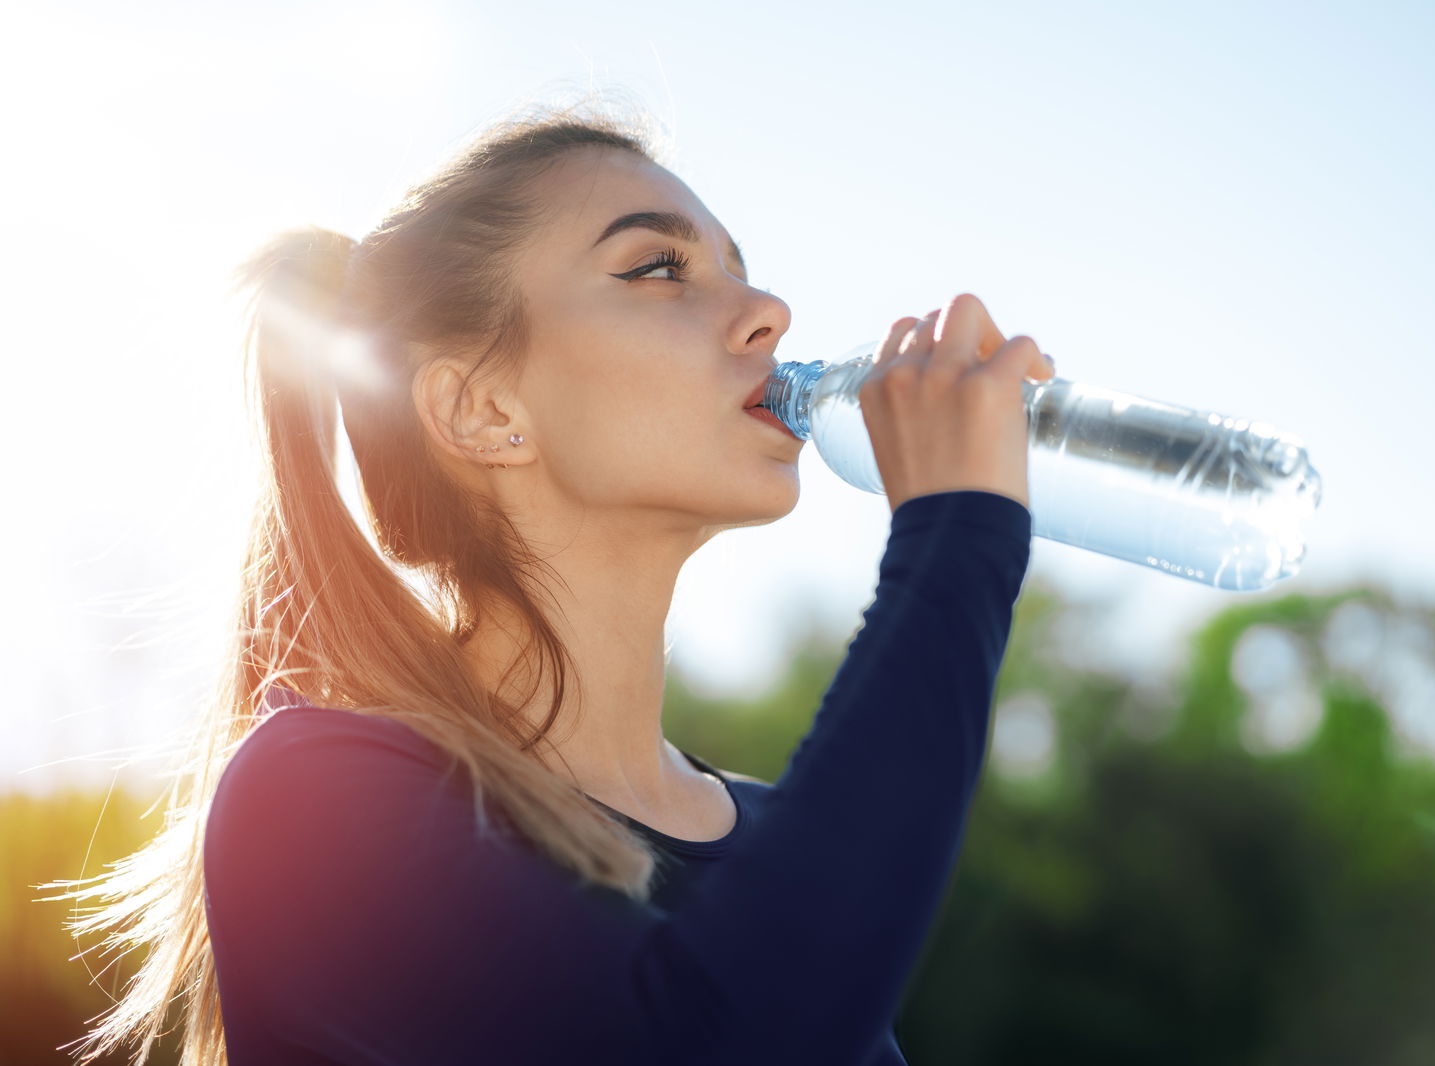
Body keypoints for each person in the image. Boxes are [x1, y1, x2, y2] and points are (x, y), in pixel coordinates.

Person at [59, 97, 1053, 1066]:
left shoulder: (778, 837)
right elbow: (721, 1042)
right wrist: (955, 536)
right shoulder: (317, 800)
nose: (768, 313)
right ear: (482, 408)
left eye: (740, 269)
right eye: (658, 267)